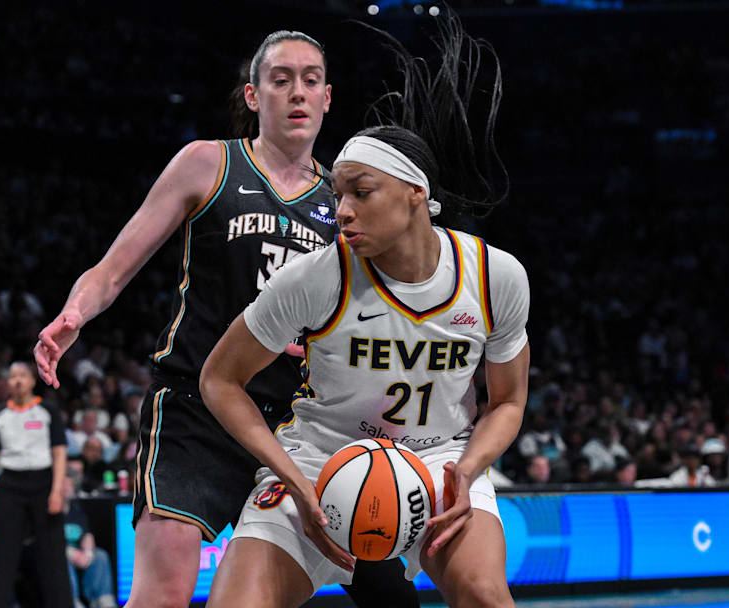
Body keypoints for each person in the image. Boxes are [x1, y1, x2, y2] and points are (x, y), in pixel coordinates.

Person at [33, 29, 419, 608]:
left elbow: (369, 317)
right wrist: (75, 312)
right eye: (281, 80)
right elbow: (111, 271)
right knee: (162, 595)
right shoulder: (208, 164)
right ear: (253, 95)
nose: (297, 92)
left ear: (327, 98)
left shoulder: (343, 203)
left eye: (310, 80)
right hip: (196, 409)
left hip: (298, 425)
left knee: (386, 593)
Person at [199, 14, 522, 607]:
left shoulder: (494, 275)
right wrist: (291, 477)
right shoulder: (314, 276)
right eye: (338, 194)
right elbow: (219, 379)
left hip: (438, 462)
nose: (342, 210)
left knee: (485, 595)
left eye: (361, 192)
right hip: (318, 460)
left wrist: (468, 468)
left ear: (416, 193)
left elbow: (507, 402)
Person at [0, 361, 69, 608]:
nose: (17, 380)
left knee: (52, 553)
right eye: (13, 376)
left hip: (43, 482)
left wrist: (57, 490)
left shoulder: (47, 410)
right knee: (4, 552)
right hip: (10, 484)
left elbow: (59, 452)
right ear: (7, 383)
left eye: (22, 375)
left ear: (31, 381)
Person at [61, 473, 118, 608]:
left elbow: (87, 536)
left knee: (100, 555)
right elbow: (48, 542)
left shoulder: (76, 511)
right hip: (61, 553)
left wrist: (87, 553)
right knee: (61, 560)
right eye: (64, 484)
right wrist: (71, 553)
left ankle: (102, 599)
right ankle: (72, 601)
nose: (67, 488)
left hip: (79, 553)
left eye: (69, 485)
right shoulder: (51, 512)